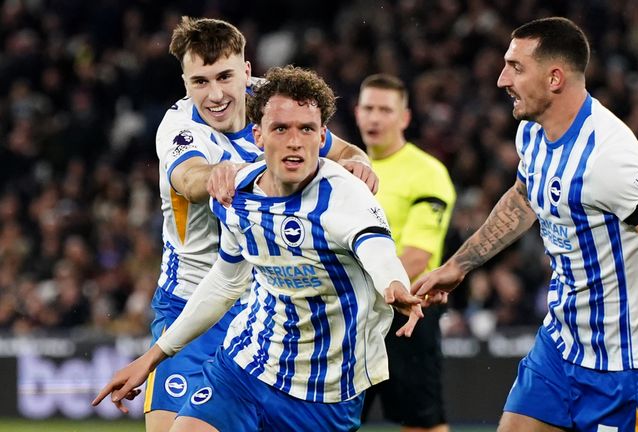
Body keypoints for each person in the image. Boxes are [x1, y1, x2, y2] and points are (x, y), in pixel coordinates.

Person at [93, 65, 423, 431]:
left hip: (324, 393)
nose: (294, 141)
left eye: (307, 129)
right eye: (281, 128)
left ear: (322, 136)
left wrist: (395, 285)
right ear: (258, 136)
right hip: (246, 368)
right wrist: (150, 358)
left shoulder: (345, 196)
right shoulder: (237, 196)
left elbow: (378, 250)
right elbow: (225, 282)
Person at [413, 17, 638, 432]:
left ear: (554, 78)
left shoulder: (610, 158)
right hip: (561, 345)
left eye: (515, 67)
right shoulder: (530, 131)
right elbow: (524, 198)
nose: (500, 79)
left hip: (626, 368)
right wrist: (459, 266)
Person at [144, 16, 377, 432]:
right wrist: (216, 175)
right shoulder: (179, 129)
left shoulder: (273, 108)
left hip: (262, 311)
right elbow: (189, 177)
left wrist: (359, 164)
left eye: (224, 77)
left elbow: (344, 150)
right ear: (184, 83)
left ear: (247, 72)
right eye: (199, 82)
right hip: (188, 302)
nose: (214, 94)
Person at [354, 74, 455, 432]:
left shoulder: (428, 173)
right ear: (356, 112)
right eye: (368, 108)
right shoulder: (342, 171)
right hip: (351, 320)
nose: (375, 118)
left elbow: (415, 257)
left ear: (405, 118)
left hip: (406, 317)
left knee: (422, 424)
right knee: (332, 422)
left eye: (385, 109)